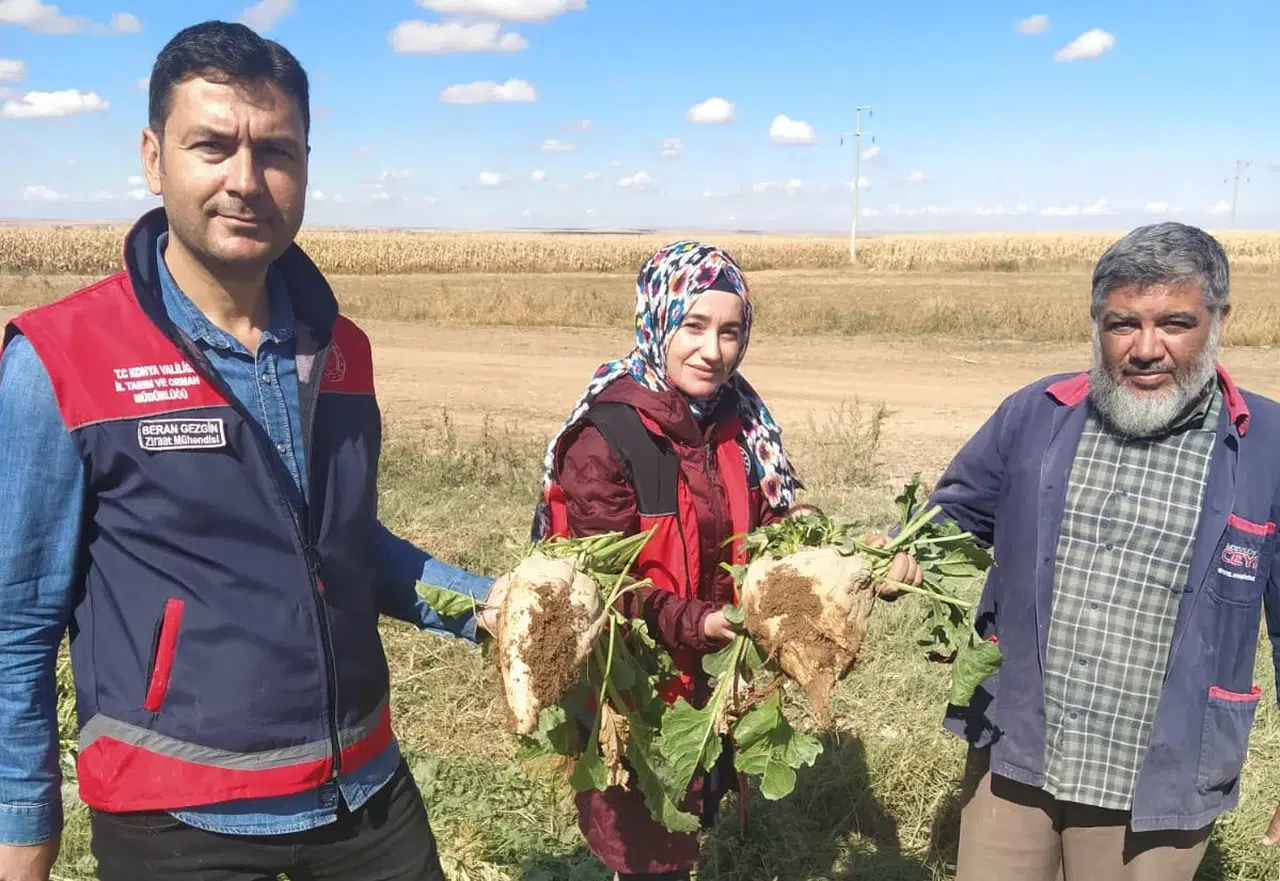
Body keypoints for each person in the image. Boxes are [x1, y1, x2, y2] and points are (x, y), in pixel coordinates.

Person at [0, 20, 502, 881]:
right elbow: (17, 623)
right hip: (174, 816)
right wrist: (21, 838)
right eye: (212, 146)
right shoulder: (60, 360)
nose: (245, 180)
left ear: (305, 165)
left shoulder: (340, 349)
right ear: (154, 158)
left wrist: (490, 605)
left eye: (275, 151)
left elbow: (342, 544)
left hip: (364, 790)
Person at [509, 241, 920, 880]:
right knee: (651, 847)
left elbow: (777, 530)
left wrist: (857, 560)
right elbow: (602, 588)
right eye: (694, 326)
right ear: (657, 321)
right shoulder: (605, 438)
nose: (713, 350)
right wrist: (698, 622)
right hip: (639, 680)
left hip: (714, 674)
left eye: (730, 331)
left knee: (691, 821)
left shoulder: (740, 420)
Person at [920, 221, 1280, 880]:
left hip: (1160, 770)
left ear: (1219, 320)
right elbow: (953, 517)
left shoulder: (1266, 445)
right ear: (1097, 324)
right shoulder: (1037, 413)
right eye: (1122, 324)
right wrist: (892, 555)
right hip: (1019, 746)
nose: (1146, 349)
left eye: (1174, 323)